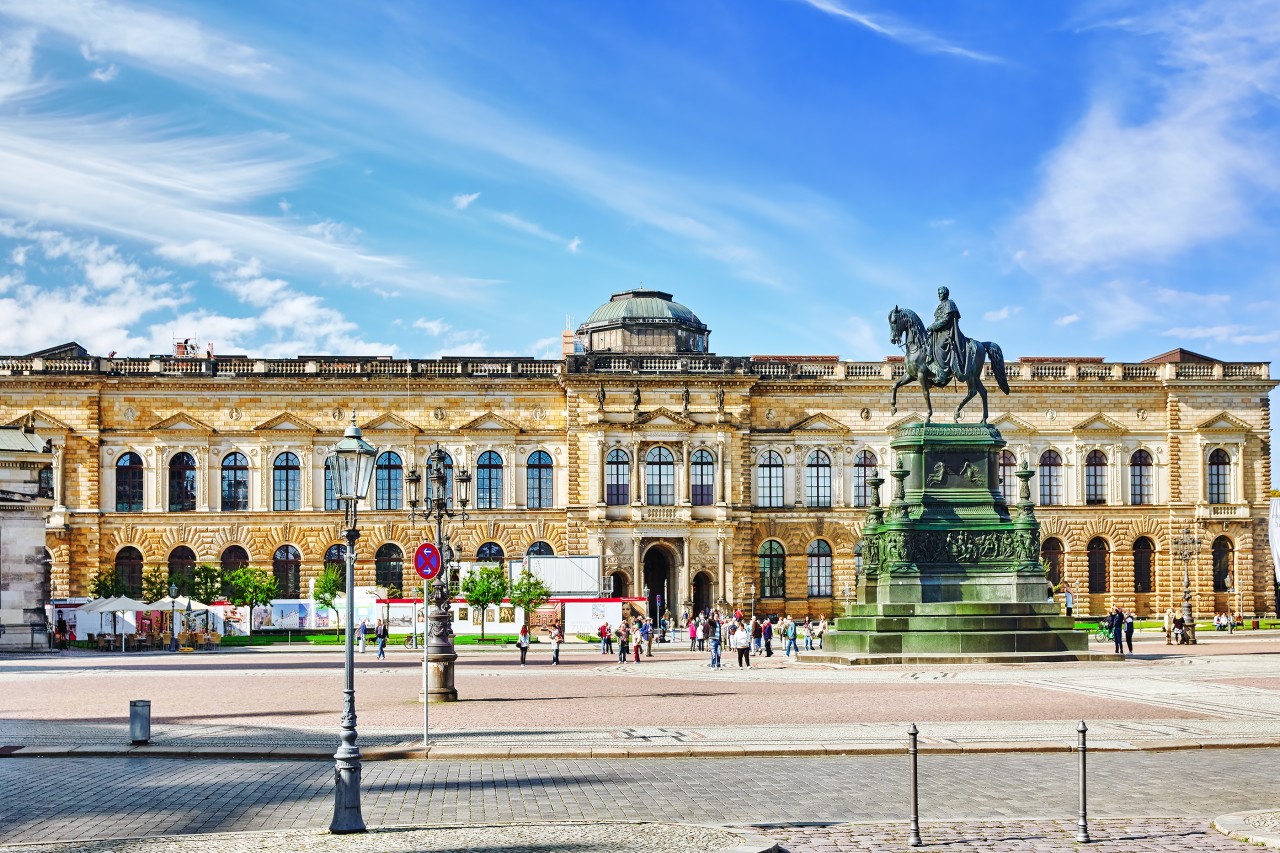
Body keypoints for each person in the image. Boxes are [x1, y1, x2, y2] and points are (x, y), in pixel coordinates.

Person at [926, 285, 967, 386]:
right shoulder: (940, 305)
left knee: (939, 347)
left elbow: (946, 319)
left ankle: (942, 373)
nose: (939, 295)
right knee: (927, 343)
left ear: (945, 294)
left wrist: (933, 326)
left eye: (940, 293)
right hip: (938, 331)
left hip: (947, 332)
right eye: (938, 293)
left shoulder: (950, 304)